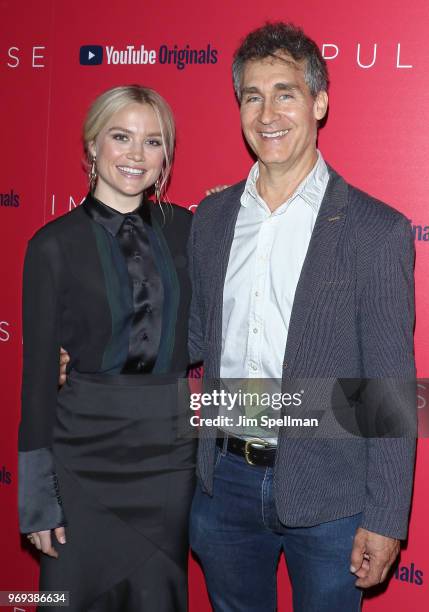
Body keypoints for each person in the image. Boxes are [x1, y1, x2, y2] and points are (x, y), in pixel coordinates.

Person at [188, 23, 417, 611]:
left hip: (332, 496)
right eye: (252, 96)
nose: (268, 113)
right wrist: (93, 354)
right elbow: (186, 338)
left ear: (319, 101)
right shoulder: (211, 220)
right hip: (225, 486)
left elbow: (389, 390)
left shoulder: (375, 230)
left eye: (285, 93)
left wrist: (388, 518)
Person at [18, 84, 196, 611]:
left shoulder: (191, 230)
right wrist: (36, 499)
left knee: (157, 597)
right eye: (121, 137)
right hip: (80, 457)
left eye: (153, 141)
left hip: (167, 456)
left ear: (166, 154)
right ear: (92, 145)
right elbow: (36, 381)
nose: (136, 155)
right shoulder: (51, 245)